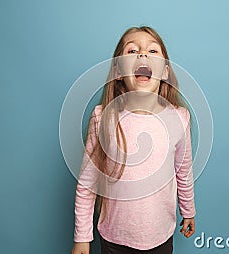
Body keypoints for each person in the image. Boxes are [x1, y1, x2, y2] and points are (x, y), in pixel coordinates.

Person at [71, 26, 196, 254]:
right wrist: (82, 237)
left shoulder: (179, 118)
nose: (142, 54)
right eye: (132, 50)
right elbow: (87, 183)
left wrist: (188, 210)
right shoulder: (102, 117)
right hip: (113, 240)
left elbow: (183, 171)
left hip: (161, 237)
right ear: (118, 70)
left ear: (165, 72)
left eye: (152, 50)